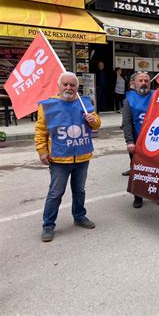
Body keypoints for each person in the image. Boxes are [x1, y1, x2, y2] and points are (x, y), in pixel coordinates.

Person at [35, 72, 101, 242]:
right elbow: (41, 130)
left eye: (72, 85)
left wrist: (92, 119)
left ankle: (79, 216)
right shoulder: (48, 106)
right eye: (65, 84)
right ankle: (48, 225)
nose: (68, 88)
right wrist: (42, 151)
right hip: (59, 159)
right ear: (59, 86)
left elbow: (97, 124)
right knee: (56, 193)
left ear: (77, 88)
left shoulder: (84, 103)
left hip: (82, 157)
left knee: (79, 190)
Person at [122, 72, 154, 208]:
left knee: (155, 170)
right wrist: (129, 141)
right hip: (137, 141)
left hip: (155, 141)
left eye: (146, 80)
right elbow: (127, 123)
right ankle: (138, 197)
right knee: (138, 170)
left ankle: (155, 194)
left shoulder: (157, 96)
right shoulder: (129, 99)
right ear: (134, 83)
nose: (143, 83)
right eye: (140, 80)